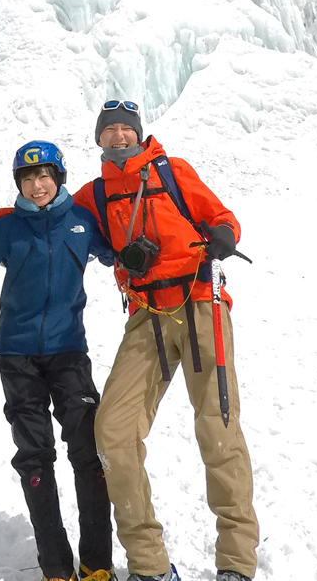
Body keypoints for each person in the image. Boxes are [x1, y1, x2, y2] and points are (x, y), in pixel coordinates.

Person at [72, 101, 259, 581]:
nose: (118, 137)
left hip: (200, 304)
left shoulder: (171, 171)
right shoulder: (94, 195)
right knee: (112, 430)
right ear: (99, 139)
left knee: (218, 430)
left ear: (138, 134)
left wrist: (221, 232)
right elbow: (48, 215)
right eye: (109, 130)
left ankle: (236, 564)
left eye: (124, 130)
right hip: (146, 314)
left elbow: (221, 215)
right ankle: (149, 565)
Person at [0, 141, 116, 581]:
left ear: (59, 177)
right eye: (27, 178)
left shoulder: (82, 222)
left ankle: (96, 562)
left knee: (88, 453)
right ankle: (55, 565)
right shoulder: (8, 227)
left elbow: (114, 251)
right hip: (17, 357)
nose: (37, 185)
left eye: (44, 175)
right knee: (35, 457)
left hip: (69, 351)